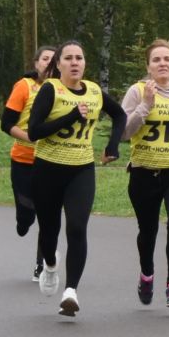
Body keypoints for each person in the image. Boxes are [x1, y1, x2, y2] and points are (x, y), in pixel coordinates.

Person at [26, 40, 126, 316]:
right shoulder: (50, 90)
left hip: (81, 170)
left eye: (79, 58)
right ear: (58, 65)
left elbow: (119, 115)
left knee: (78, 227)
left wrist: (113, 145)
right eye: (68, 58)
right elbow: (34, 132)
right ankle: (49, 264)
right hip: (47, 169)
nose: (74, 62)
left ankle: (71, 291)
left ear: (85, 63)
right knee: (49, 231)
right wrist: (70, 116)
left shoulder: (94, 91)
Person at [121, 39, 169, 307]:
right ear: (148, 66)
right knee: (148, 230)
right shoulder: (137, 91)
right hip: (144, 172)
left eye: (167, 59)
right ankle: (147, 274)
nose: (162, 64)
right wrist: (145, 104)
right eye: (156, 60)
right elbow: (123, 132)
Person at [1, 45, 58, 280]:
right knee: (27, 216)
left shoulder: (65, 89)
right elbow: (7, 124)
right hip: (24, 160)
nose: (49, 63)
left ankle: (42, 264)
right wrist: (31, 137)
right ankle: (22, 221)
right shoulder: (24, 86)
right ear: (36, 63)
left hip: (53, 161)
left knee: (48, 215)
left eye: (54, 59)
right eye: (45, 59)